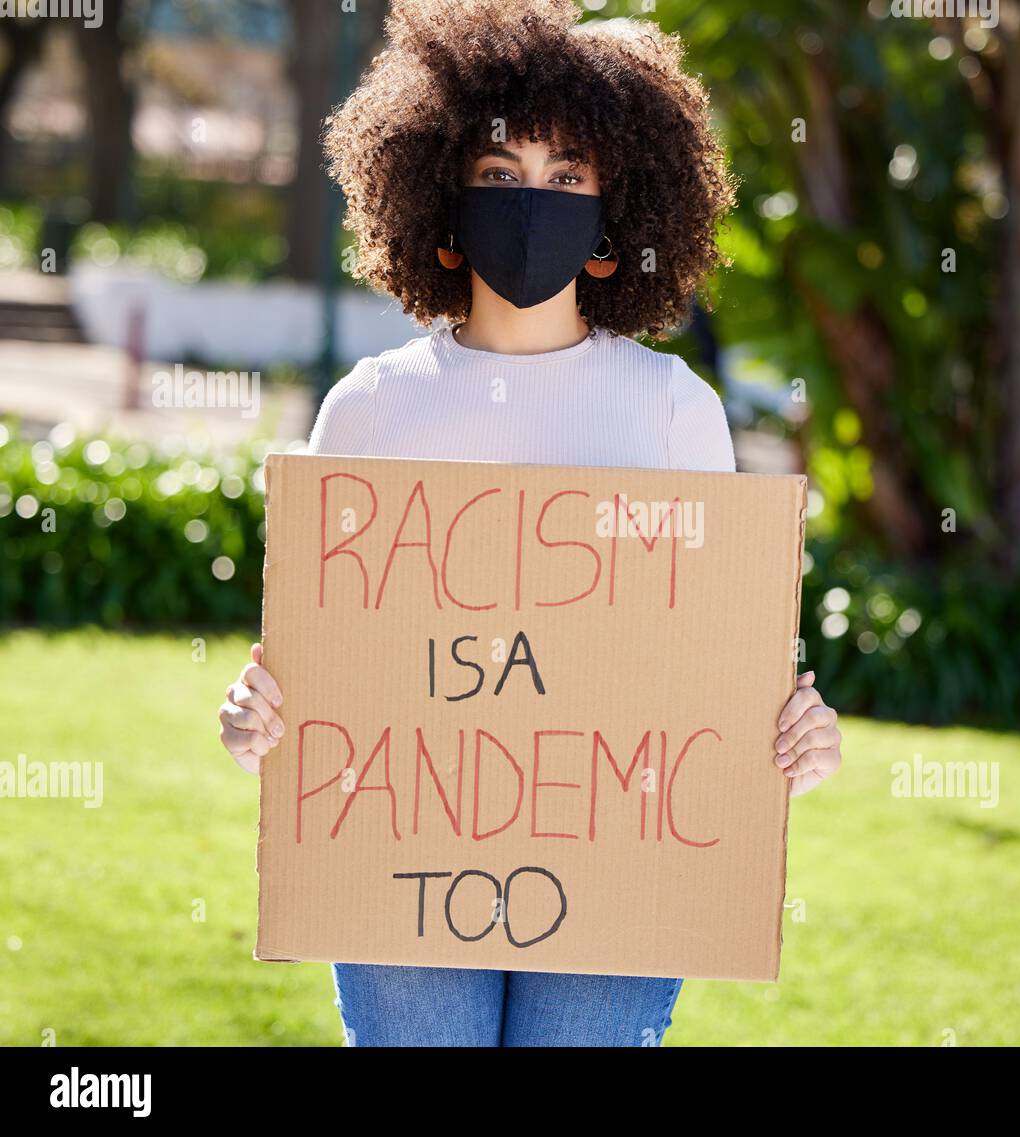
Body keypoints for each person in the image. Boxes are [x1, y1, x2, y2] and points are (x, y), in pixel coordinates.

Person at [217, 0, 843, 1047]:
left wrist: (792, 737)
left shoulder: (674, 408)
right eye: (501, 179)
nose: (530, 204)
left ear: (617, 216)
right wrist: (254, 720)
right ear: (439, 196)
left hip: (619, 857)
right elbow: (322, 677)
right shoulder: (368, 407)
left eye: (567, 181)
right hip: (398, 856)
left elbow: (713, 669)